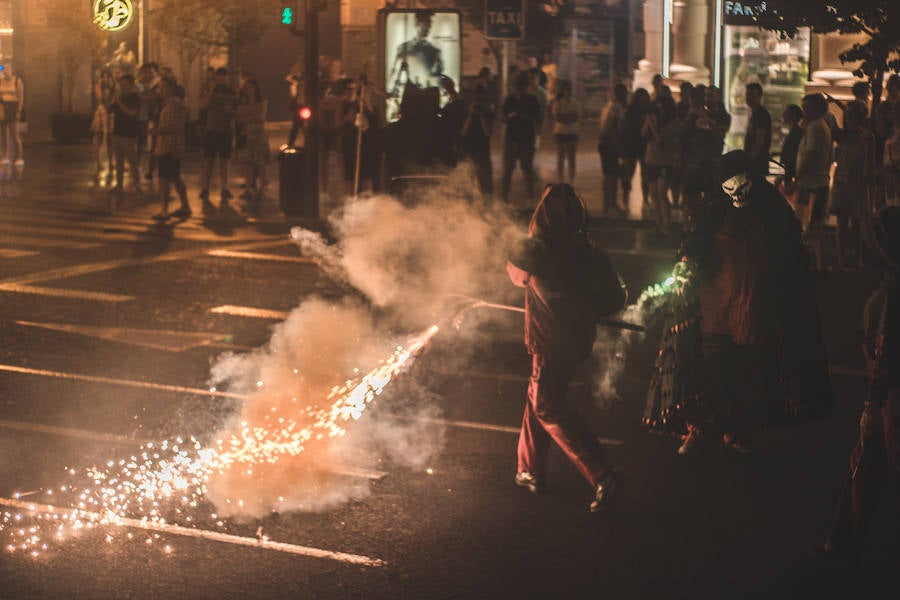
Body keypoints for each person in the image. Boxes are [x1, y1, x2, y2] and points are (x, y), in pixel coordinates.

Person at [676, 149, 831, 455]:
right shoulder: (713, 212)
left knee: (748, 373)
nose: (737, 191)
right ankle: (703, 427)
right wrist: (684, 266)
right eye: (729, 185)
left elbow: (790, 257)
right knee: (713, 371)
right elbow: (693, 247)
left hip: (754, 306)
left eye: (742, 182)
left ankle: (738, 428)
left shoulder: (772, 209)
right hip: (715, 307)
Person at [507, 183, 628, 512]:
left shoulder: (536, 253)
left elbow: (515, 272)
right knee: (537, 397)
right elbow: (616, 298)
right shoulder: (591, 254)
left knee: (547, 405)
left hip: (550, 344)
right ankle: (529, 468)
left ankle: (602, 475)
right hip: (578, 341)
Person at [823, 206, 900, 559]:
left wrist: (872, 405)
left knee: (868, 463)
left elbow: (885, 357)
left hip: (890, 401)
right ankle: (843, 542)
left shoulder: (890, 294)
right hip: (888, 398)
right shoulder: (889, 286)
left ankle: (847, 547)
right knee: (866, 465)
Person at [829, 101, 872, 269]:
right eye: (848, 114)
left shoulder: (864, 137)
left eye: (853, 114)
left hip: (855, 180)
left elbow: (868, 162)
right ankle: (843, 259)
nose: (849, 117)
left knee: (856, 222)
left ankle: (856, 259)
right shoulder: (843, 135)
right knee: (844, 221)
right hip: (843, 179)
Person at [795, 93, 834, 271]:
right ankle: (819, 262)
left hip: (811, 184)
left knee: (807, 223)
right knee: (815, 225)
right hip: (817, 183)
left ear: (818, 109)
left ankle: (813, 262)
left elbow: (810, 154)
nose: (804, 112)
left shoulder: (815, 128)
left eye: (807, 108)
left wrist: (798, 174)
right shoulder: (820, 126)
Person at [198, 67, 237, 211]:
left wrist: (231, 111)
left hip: (225, 130)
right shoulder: (208, 90)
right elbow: (202, 105)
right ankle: (205, 188)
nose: (222, 81)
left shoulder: (231, 92)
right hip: (211, 130)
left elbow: (236, 109)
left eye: (224, 78)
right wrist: (211, 90)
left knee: (224, 162)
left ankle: (224, 188)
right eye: (219, 78)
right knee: (208, 161)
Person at [499, 71, 542, 203]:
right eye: (517, 86)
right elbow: (502, 117)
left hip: (526, 140)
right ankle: (504, 199)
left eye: (521, 86)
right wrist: (509, 117)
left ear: (526, 86)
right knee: (507, 170)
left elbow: (538, 119)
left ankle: (530, 198)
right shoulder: (509, 99)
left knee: (527, 170)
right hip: (511, 139)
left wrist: (523, 116)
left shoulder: (532, 100)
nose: (518, 89)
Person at [152, 78, 190, 220]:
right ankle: (185, 206)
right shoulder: (170, 104)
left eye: (163, 87)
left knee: (164, 180)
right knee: (174, 178)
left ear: (170, 88)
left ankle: (165, 210)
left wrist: (156, 131)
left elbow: (174, 128)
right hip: (169, 147)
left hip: (169, 148)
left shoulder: (173, 105)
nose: (160, 91)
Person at [642, 94, 680, 235]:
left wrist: (652, 125)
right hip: (651, 160)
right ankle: (658, 223)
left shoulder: (673, 123)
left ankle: (666, 225)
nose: (659, 109)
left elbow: (660, 140)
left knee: (662, 193)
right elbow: (643, 134)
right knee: (653, 194)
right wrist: (648, 122)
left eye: (661, 106)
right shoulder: (655, 120)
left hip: (665, 161)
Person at [235, 78, 270, 202]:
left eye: (251, 87)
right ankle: (249, 188)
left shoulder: (262, 102)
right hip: (246, 134)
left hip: (259, 136)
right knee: (247, 163)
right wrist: (249, 115)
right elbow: (238, 118)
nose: (249, 90)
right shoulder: (243, 103)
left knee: (260, 163)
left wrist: (246, 115)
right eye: (246, 88)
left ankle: (262, 190)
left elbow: (260, 117)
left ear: (256, 88)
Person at [108, 73, 142, 194]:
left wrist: (119, 103)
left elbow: (132, 113)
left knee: (132, 162)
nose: (122, 87)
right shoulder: (119, 96)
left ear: (131, 85)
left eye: (125, 84)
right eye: (121, 84)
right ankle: (119, 185)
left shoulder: (135, 98)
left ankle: (137, 184)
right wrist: (112, 99)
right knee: (119, 162)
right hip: (117, 133)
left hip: (129, 135)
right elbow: (110, 110)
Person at [598, 83, 628, 216]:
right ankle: (612, 204)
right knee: (612, 176)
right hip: (610, 145)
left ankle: (606, 204)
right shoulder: (616, 108)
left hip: (604, 143)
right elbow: (614, 129)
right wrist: (619, 149)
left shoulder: (608, 106)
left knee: (608, 175)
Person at [622, 88, 652, 209]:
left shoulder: (648, 111)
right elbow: (626, 129)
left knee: (646, 175)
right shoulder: (630, 112)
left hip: (643, 146)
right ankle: (626, 199)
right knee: (629, 173)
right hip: (632, 146)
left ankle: (645, 200)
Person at [459, 89, 494, 195]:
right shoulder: (466, 115)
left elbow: (487, 133)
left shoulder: (487, 115)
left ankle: (487, 199)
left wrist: (482, 117)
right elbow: (463, 132)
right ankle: (469, 201)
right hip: (469, 150)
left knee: (485, 181)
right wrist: (470, 116)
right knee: (468, 180)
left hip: (482, 151)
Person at [549, 79, 580, 183]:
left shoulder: (575, 103)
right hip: (561, 133)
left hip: (571, 133)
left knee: (571, 158)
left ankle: (571, 180)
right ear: (563, 91)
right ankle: (561, 179)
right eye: (567, 89)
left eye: (570, 89)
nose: (569, 91)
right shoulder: (558, 104)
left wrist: (564, 118)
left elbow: (574, 117)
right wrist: (568, 118)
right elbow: (558, 117)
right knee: (561, 158)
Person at [743, 83, 772, 182]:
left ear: (759, 96)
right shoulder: (755, 113)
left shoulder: (761, 114)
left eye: (752, 95)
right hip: (756, 161)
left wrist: (751, 159)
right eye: (747, 95)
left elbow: (760, 140)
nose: (748, 98)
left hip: (757, 162)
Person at [92, 68, 115, 182]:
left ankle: (111, 162)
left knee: (111, 138)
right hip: (101, 112)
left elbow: (113, 100)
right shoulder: (98, 86)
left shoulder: (113, 87)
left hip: (110, 112)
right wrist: (101, 85)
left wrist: (111, 87)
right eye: (104, 76)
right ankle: (98, 162)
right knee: (99, 137)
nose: (105, 78)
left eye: (108, 76)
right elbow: (100, 98)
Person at [0, 63, 24, 166]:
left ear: (12, 70)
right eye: (4, 68)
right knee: (4, 134)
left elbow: (21, 97)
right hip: (3, 107)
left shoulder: (17, 81)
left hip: (13, 107)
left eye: (8, 68)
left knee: (14, 134)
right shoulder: (0, 81)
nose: (6, 70)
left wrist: (19, 110)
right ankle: (5, 156)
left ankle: (19, 157)